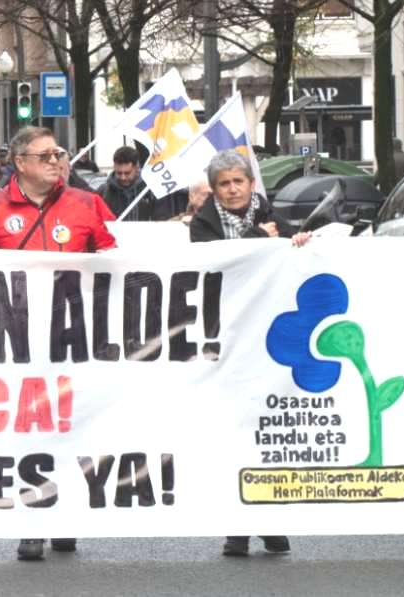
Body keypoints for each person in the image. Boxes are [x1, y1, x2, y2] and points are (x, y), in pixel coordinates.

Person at [0, 127, 114, 562]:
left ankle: (63, 515)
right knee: (27, 431)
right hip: (18, 341)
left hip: (73, 338)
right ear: (21, 163)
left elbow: (117, 259)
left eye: (59, 154)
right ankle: (32, 519)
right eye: (45, 155)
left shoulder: (87, 204)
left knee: (71, 427)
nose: (55, 161)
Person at [187, 149, 307, 557]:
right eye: (224, 184)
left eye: (239, 181)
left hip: (270, 342)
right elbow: (221, 265)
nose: (233, 188)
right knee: (233, 432)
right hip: (228, 341)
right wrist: (261, 242)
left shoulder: (274, 217)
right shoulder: (203, 227)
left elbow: (292, 259)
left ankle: (270, 521)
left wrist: (298, 244)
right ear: (215, 191)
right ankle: (237, 526)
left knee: (267, 434)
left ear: (251, 185)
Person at [101, 145, 176, 221]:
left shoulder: (151, 190)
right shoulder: (104, 192)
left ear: (137, 167)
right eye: (119, 173)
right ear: (114, 167)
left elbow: (161, 219)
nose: (123, 177)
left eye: (127, 173)